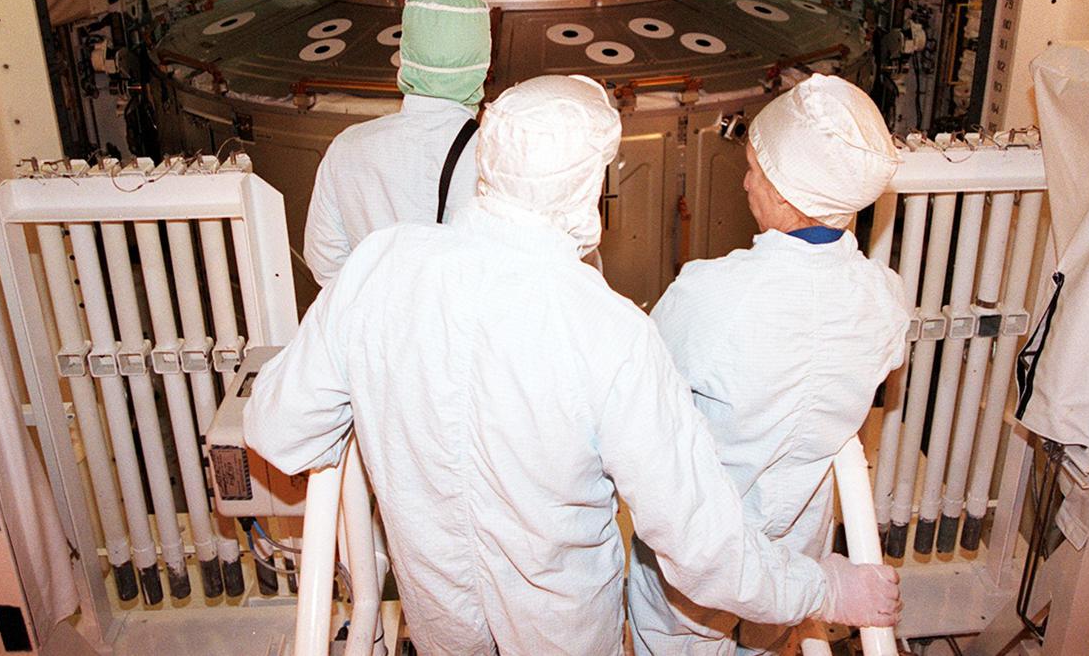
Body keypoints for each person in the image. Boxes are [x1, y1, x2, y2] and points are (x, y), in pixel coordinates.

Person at [246, 74, 900, 656]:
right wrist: (822, 588)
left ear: (488, 155)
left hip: (439, 622)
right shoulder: (611, 333)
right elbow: (703, 552)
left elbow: (278, 432)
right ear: (594, 184)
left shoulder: (377, 268)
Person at [629, 74, 910, 656]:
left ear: (784, 192)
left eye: (755, 167)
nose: (744, 179)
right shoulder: (885, 297)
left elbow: (644, 398)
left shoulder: (710, 294)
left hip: (703, 552)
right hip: (796, 544)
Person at [302, 0, 492, 285]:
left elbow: (325, 261)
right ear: (481, 64)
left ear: (406, 56)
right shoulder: (493, 157)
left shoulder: (348, 146)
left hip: (370, 324)